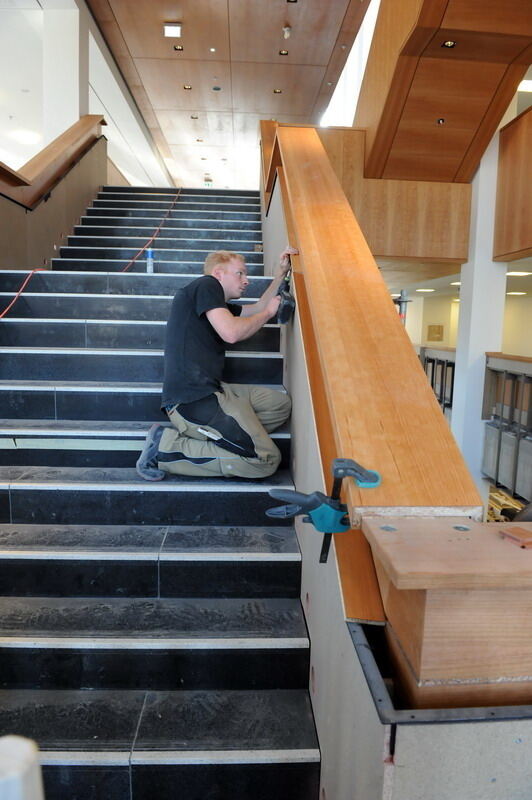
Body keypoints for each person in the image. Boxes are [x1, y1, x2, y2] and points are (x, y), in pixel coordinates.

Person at [136, 247, 297, 481]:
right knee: (265, 460)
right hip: (193, 399)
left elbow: (259, 308)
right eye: (240, 273)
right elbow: (231, 332)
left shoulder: (214, 302)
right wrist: (269, 314)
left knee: (279, 404)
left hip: (215, 389)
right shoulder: (206, 285)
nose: (247, 280)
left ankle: (228, 436)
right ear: (219, 273)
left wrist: (281, 274)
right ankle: (165, 448)